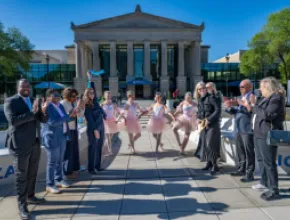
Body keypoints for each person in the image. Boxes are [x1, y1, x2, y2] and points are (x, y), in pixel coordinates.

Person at [4, 79, 48, 220]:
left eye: (28, 86)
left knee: (32, 173)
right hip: (20, 145)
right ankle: (22, 206)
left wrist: (44, 111)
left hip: (35, 143)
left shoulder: (35, 100)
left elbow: (42, 119)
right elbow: (13, 121)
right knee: (21, 176)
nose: (26, 88)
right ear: (17, 87)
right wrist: (32, 111)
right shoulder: (11, 101)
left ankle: (31, 196)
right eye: (23, 86)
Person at [246, 77, 285, 201]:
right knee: (263, 161)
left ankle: (274, 189)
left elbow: (268, 115)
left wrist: (254, 104)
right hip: (259, 134)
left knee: (269, 163)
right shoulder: (266, 98)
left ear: (268, 88)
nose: (259, 90)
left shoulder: (276, 98)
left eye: (261, 87)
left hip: (267, 135)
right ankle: (268, 185)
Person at [42, 89, 74, 194]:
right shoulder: (47, 108)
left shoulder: (59, 106)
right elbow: (53, 122)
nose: (57, 97)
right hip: (52, 138)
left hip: (62, 137)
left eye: (58, 96)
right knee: (52, 162)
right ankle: (49, 184)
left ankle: (59, 179)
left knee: (60, 160)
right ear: (48, 98)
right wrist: (67, 116)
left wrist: (72, 114)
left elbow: (65, 119)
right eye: (54, 96)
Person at [224, 79, 255, 182]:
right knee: (240, 150)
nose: (240, 89)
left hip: (247, 128)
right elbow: (238, 111)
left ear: (250, 87)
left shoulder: (252, 96)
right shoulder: (242, 97)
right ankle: (241, 169)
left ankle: (249, 173)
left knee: (248, 151)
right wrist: (228, 107)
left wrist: (245, 105)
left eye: (242, 87)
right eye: (240, 87)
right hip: (238, 128)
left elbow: (252, 111)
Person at [195, 82, 221, 175]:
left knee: (211, 144)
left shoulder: (212, 97)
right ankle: (209, 163)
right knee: (205, 145)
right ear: (197, 91)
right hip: (203, 125)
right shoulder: (199, 100)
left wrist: (209, 120)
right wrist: (198, 118)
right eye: (199, 89)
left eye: (203, 88)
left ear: (206, 89)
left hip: (212, 124)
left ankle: (215, 165)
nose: (202, 90)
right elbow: (199, 112)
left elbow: (218, 110)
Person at [84, 72, 107, 174]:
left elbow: (95, 90)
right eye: (90, 93)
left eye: (93, 93)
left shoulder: (96, 101)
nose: (92, 94)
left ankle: (97, 166)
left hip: (101, 126)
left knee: (99, 147)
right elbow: (89, 119)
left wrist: (91, 80)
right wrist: (95, 130)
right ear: (87, 94)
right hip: (93, 129)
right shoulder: (86, 105)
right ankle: (91, 168)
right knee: (92, 148)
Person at [61, 88, 84, 179]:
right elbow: (68, 116)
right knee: (68, 151)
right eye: (73, 96)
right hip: (67, 129)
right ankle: (68, 172)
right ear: (68, 95)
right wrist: (76, 108)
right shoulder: (63, 104)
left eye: (76, 96)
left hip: (74, 128)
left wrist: (81, 108)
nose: (75, 98)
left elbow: (80, 115)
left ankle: (75, 168)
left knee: (75, 149)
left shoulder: (73, 103)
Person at [101, 91, 120, 156]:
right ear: (104, 97)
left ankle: (103, 148)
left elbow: (119, 112)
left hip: (112, 121)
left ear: (110, 96)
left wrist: (118, 118)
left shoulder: (113, 104)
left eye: (109, 96)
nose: (108, 97)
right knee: (108, 137)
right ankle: (110, 151)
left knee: (110, 136)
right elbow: (98, 114)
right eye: (107, 96)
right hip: (105, 121)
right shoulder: (102, 104)